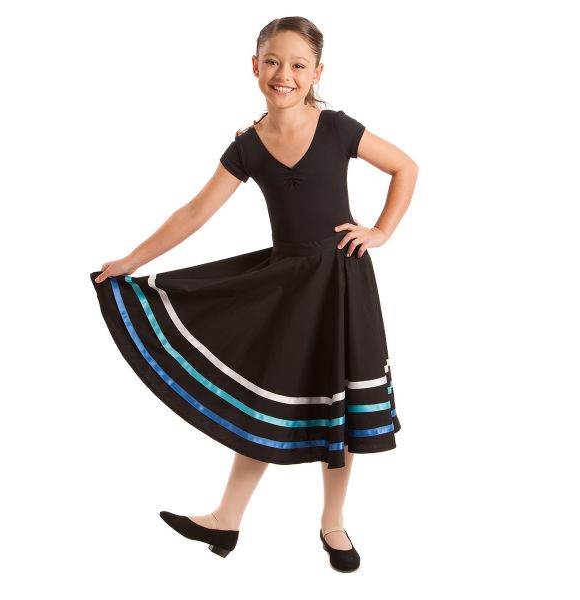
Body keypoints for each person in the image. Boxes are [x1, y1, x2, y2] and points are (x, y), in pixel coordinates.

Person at [90, 16, 418, 572]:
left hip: (341, 282)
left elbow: (405, 167)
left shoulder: (338, 128)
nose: (283, 74)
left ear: (317, 73)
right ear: (254, 66)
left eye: (297, 64)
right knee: (263, 401)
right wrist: (131, 262)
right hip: (285, 286)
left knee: (338, 406)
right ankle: (227, 519)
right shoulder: (249, 146)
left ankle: (333, 522)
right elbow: (195, 211)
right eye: (272, 62)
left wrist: (381, 231)